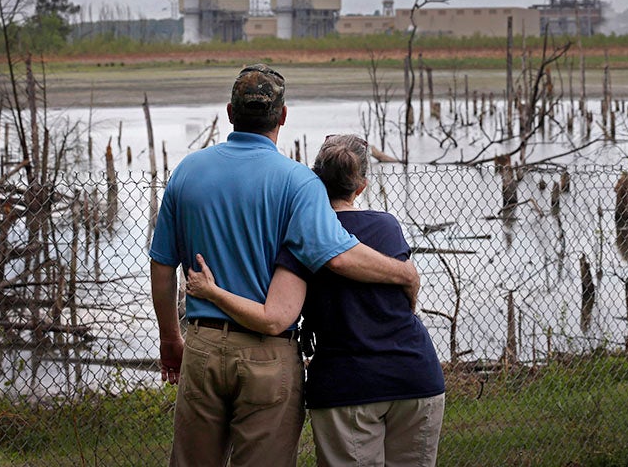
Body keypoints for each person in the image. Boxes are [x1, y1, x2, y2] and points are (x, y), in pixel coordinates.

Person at [149, 65, 419, 467]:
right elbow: (341, 256)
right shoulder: (298, 182)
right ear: (283, 116)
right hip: (267, 355)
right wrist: (404, 273)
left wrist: (171, 338)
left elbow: (162, 264)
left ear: (229, 112)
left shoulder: (187, 171)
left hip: (202, 347)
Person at [187, 134, 445, 467]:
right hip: (417, 376)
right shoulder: (387, 226)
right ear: (361, 186)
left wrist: (213, 292)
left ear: (314, 179)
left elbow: (273, 318)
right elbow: (408, 288)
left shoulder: (300, 237)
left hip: (348, 386)